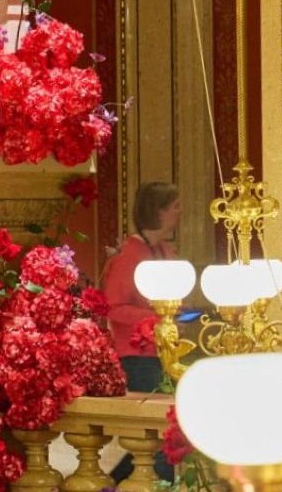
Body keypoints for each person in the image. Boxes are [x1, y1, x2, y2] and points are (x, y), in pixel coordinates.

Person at [101, 181, 182, 483]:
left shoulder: (164, 250)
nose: (180, 213)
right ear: (158, 211)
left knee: (164, 435)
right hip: (138, 356)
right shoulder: (128, 255)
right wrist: (157, 318)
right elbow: (113, 307)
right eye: (175, 207)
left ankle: (114, 485)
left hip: (164, 352)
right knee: (157, 434)